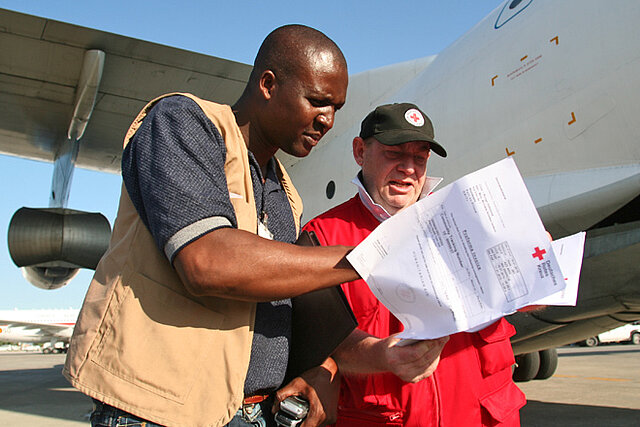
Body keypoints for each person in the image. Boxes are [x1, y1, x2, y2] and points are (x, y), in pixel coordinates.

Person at [64, 24, 364, 427]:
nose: (327, 120)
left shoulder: (284, 190)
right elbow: (206, 262)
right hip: (158, 413)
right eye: (317, 101)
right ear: (269, 84)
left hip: (252, 412)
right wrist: (365, 258)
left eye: (336, 109)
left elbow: (274, 299)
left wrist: (323, 367)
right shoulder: (182, 122)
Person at [303, 103, 527, 426]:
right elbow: (321, 345)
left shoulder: (468, 220)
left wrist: (533, 279)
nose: (409, 168)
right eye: (394, 153)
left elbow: (518, 294)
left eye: (419, 158)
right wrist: (382, 355)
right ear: (359, 151)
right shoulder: (321, 238)